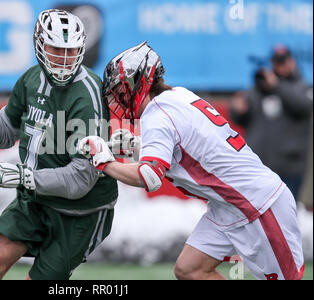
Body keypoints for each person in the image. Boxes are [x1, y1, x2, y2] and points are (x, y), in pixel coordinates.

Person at [78, 42, 305, 280]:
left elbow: (150, 177)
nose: (119, 99)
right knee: (190, 270)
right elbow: (188, 148)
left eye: (122, 91)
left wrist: (105, 162)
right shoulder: (178, 95)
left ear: (140, 83)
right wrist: (137, 145)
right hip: (228, 205)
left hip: (258, 203)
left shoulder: (157, 115)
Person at [0, 9, 118, 280]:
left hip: (80, 212)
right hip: (36, 200)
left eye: (71, 51)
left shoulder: (87, 96)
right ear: (40, 45)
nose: (64, 60)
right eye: (56, 49)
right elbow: (6, 130)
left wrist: (23, 176)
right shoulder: (31, 79)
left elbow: (81, 179)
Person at [229, 45, 313, 201]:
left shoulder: (301, 87)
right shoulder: (260, 89)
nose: (280, 66)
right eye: (277, 62)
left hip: (290, 166)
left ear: (292, 61)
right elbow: (240, 117)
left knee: (286, 214)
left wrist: (277, 86)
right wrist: (238, 109)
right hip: (261, 166)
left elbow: (304, 106)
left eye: (284, 61)